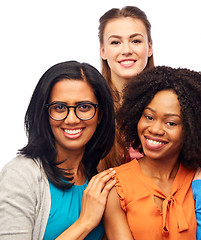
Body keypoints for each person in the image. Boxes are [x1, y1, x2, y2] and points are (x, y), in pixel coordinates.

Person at [102, 66, 201, 239]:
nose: (155, 129)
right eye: (149, 117)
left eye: (170, 123)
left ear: (192, 130)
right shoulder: (115, 187)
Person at [0, 61, 116, 239]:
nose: (71, 119)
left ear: (100, 114)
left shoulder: (97, 177)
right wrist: (85, 222)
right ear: (44, 113)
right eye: (59, 107)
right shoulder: (20, 174)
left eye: (84, 107)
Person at [98, 6, 154, 170]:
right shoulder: (92, 105)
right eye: (115, 42)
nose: (127, 50)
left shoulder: (171, 100)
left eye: (135, 41)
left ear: (149, 47)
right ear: (103, 51)